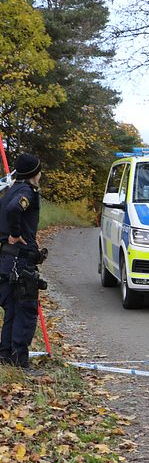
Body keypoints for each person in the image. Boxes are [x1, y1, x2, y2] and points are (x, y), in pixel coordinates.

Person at [0, 153, 46, 371]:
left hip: (7, 259)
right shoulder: (26, 192)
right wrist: (16, 233)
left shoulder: (9, 192)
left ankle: (6, 357)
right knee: (25, 310)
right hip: (20, 261)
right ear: (34, 173)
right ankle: (20, 362)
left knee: (12, 310)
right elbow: (13, 211)